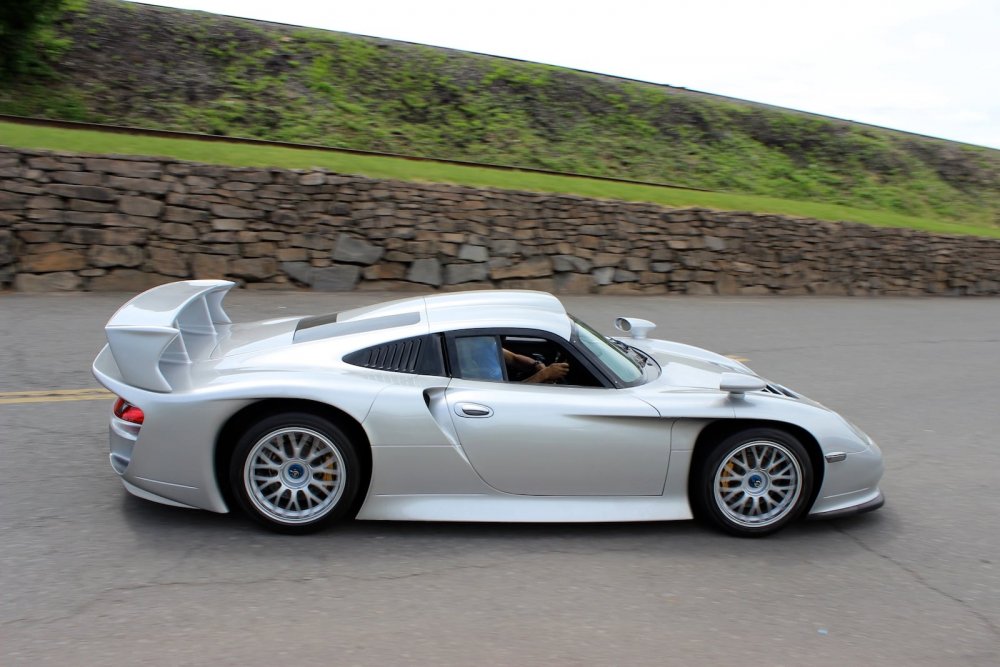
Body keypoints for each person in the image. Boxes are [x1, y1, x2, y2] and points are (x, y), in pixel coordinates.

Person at [503, 348, 570, 383]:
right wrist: (545, 374)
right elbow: (513, 392)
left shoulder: (493, 344)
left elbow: (514, 358)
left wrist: (536, 364)